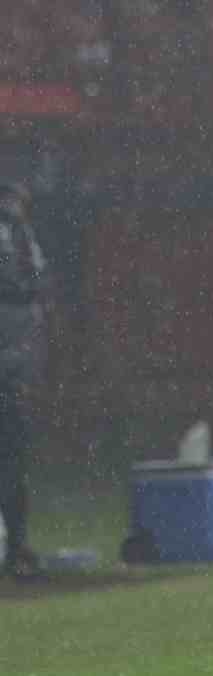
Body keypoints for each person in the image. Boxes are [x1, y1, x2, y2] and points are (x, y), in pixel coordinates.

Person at [0, 181, 49, 579]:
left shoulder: (22, 238)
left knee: (12, 460)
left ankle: (16, 546)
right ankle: (16, 547)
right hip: (16, 367)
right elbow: (32, 291)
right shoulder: (22, 238)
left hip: (15, 365)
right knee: (12, 460)